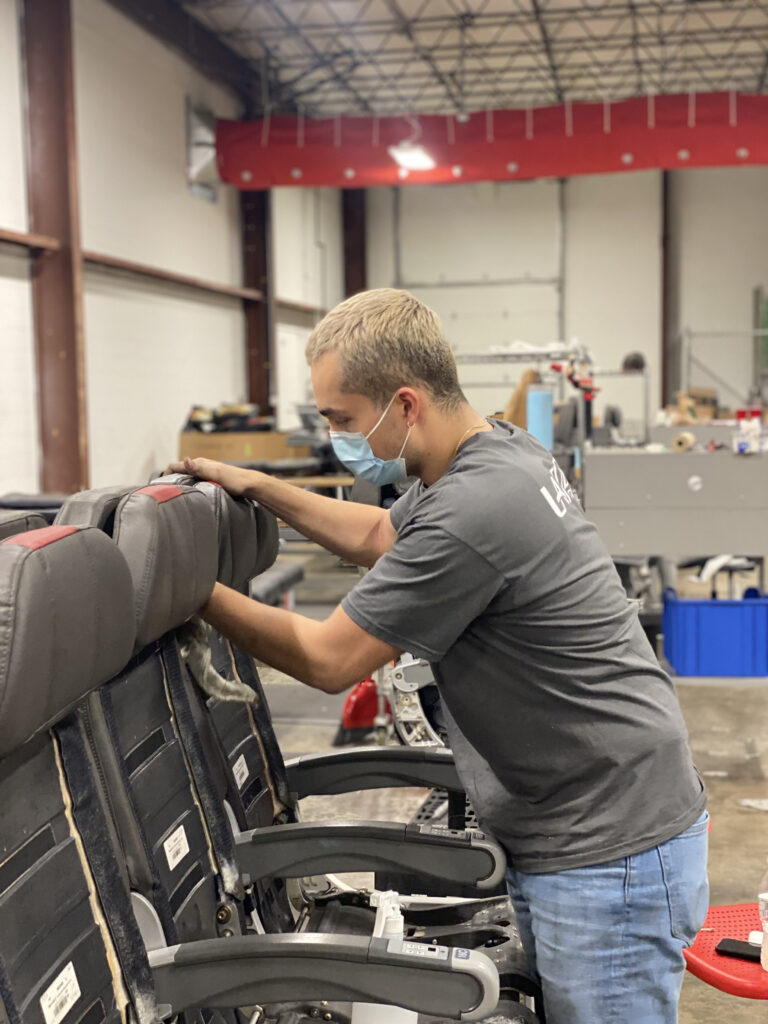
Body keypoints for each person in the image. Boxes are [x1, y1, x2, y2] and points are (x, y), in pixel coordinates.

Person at [167, 288, 708, 1024]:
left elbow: (329, 659)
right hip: (580, 822)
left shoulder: (475, 507)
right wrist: (263, 490)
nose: (336, 438)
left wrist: (185, 588)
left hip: (608, 848)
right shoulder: (497, 451)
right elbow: (378, 537)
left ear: (406, 404)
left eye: (344, 419)